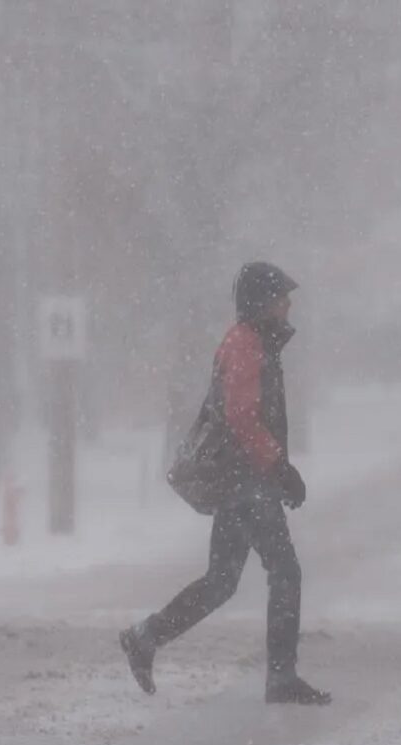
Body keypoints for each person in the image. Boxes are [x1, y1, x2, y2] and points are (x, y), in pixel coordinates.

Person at [120, 262, 329, 706]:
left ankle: (146, 636)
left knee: (221, 581)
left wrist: (276, 470)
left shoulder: (254, 343)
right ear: (260, 302)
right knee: (284, 570)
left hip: (245, 479)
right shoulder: (245, 345)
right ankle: (281, 677)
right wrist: (278, 468)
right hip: (245, 482)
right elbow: (240, 416)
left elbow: (246, 417)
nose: (288, 305)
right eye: (280, 298)